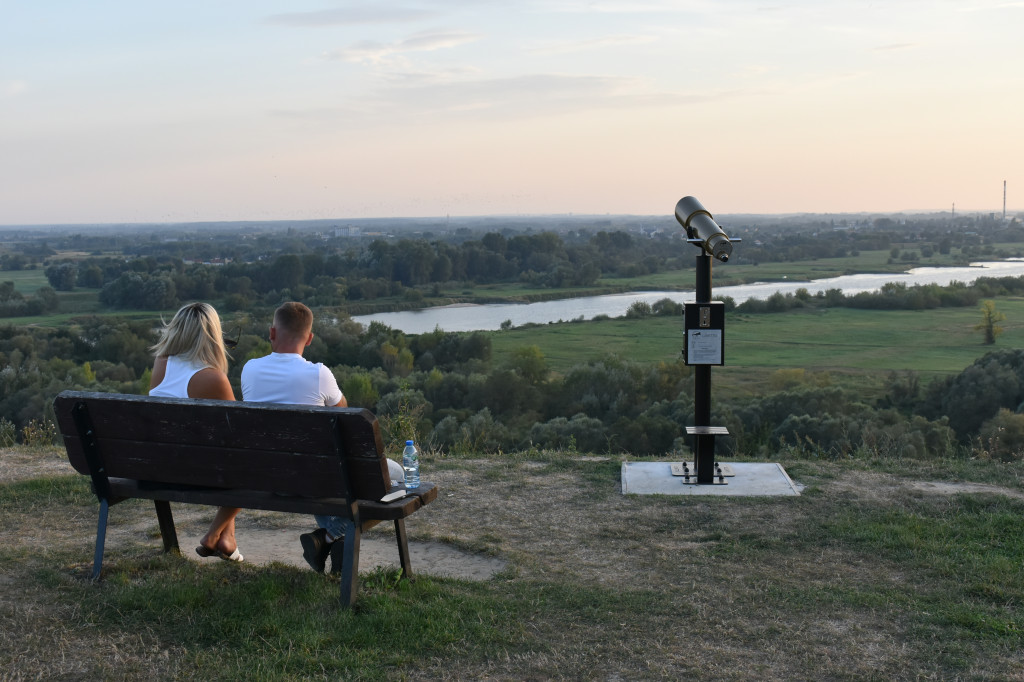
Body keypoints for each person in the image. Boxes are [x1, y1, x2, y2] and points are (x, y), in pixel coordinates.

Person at [241, 301, 404, 573]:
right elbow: (346, 417)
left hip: (269, 476)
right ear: (310, 339)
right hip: (315, 480)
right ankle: (326, 539)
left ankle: (329, 543)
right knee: (396, 475)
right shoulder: (318, 374)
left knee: (327, 475)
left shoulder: (250, 369)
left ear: (272, 333)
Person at [149, 302, 243, 562]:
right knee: (250, 463)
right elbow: (240, 435)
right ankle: (213, 535)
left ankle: (227, 537)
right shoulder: (212, 378)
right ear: (212, 335)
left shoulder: (161, 364)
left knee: (229, 460)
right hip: (195, 473)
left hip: (156, 467)